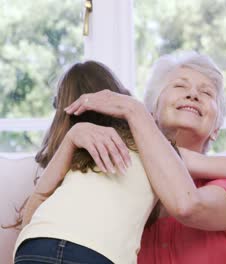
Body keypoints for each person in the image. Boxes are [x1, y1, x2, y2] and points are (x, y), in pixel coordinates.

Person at [18, 52, 226, 264]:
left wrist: (135, 112)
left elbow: (190, 205)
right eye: (179, 86)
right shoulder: (108, 158)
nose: (193, 94)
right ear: (152, 111)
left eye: (207, 93)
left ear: (217, 127)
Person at [13, 61, 158, 264]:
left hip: (34, 244)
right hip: (97, 253)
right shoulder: (153, 146)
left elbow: (33, 211)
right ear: (120, 94)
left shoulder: (69, 159)